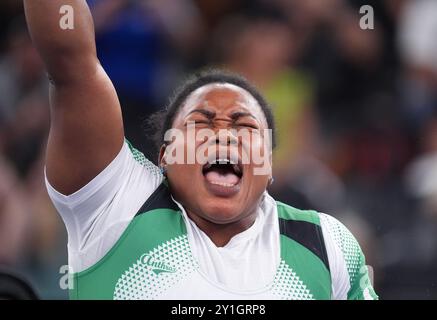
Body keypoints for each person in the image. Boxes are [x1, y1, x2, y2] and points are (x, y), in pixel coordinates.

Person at [24, 0, 378, 300]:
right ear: (165, 155)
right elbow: (69, 60)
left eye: (244, 126)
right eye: (201, 123)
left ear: (269, 163)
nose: (224, 136)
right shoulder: (116, 202)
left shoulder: (327, 244)